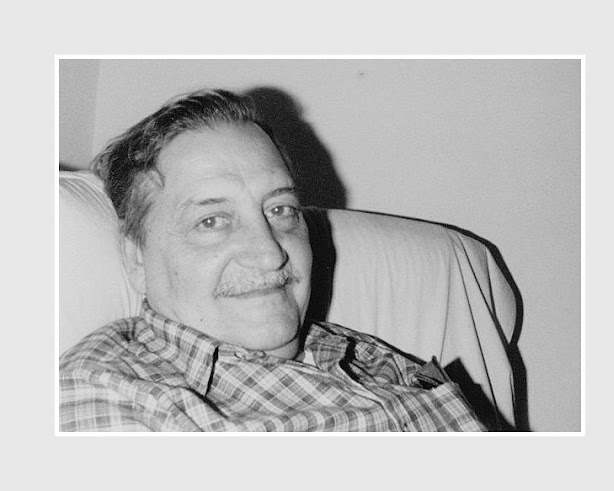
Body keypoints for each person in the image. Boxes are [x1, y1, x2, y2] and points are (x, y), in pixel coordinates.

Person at [59, 89, 486, 432]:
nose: (270, 252)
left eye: (280, 210)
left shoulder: (361, 353)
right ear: (136, 260)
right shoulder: (114, 396)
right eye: (212, 221)